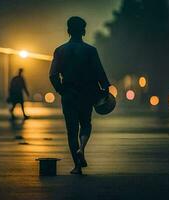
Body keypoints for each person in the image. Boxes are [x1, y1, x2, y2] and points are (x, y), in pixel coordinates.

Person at [49, 16, 111, 175]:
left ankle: (77, 166)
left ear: (68, 30)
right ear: (83, 30)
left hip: (69, 94)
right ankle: (82, 148)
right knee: (86, 124)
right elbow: (99, 72)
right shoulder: (90, 50)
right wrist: (105, 89)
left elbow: (53, 75)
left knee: (71, 130)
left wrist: (61, 90)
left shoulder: (60, 50)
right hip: (87, 94)